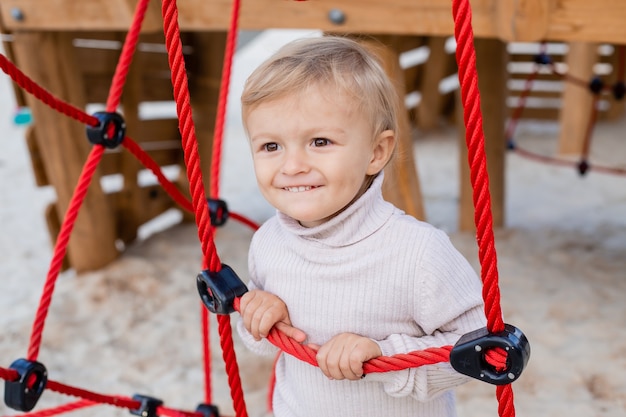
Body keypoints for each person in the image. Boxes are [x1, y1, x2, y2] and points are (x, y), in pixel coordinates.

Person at [236, 35, 486, 417]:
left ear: (376, 152)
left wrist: (383, 355)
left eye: (319, 141)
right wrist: (257, 315)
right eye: (271, 146)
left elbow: (478, 350)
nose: (291, 166)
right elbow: (266, 345)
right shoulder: (269, 241)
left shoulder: (418, 252)